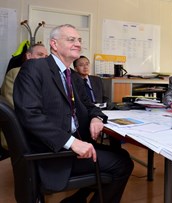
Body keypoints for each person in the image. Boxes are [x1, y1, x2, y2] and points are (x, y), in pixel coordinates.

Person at [13, 24, 134, 203]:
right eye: (71, 39)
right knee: (122, 164)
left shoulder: (73, 76)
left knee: (122, 155)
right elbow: (30, 116)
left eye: (79, 40)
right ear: (54, 44)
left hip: (75, 143)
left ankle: (77, 199)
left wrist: (95, 117)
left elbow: (90, 105)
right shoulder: (35, 69)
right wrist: (71, 142)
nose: (78, 43)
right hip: (53, 152)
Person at [0, 43, 48, 161]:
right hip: (22, 130)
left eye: (46, 57)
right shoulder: (16, 73)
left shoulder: (47, 76)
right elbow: (15, 108)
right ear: (28, 56)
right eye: (40, 54)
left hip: (39, 127)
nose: (44, 59)